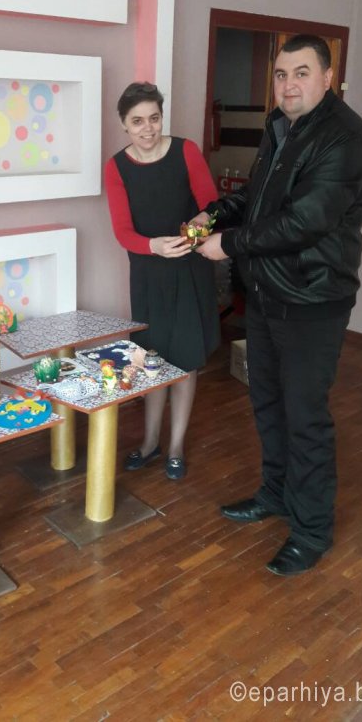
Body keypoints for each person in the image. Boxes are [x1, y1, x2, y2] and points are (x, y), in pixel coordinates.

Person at [194, 34, 362, 575]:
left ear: (327, 77)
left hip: (313, 299)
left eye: (301, 72)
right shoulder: (279, 126)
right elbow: (258, 198)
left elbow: (304, 221)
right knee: (268, 403)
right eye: (280, 74)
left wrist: (228, 244)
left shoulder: (344, 136)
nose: (288, 84)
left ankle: (312, 530)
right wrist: (213, 214)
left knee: (305, 417)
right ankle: (275, 493)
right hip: (267, 293)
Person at [105, 82, 220, 480]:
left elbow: (213, 206)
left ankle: (175, 448)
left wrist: (200, 223)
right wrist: (153, 246)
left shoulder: (186, 151)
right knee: (151, 359)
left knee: (185, 360)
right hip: (148, 275)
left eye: (154, 118)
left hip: (188, 270)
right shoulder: (116, 167)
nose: (148, 128)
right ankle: (150, 442)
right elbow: (122, 232)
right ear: (124, 124)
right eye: (137, 121)